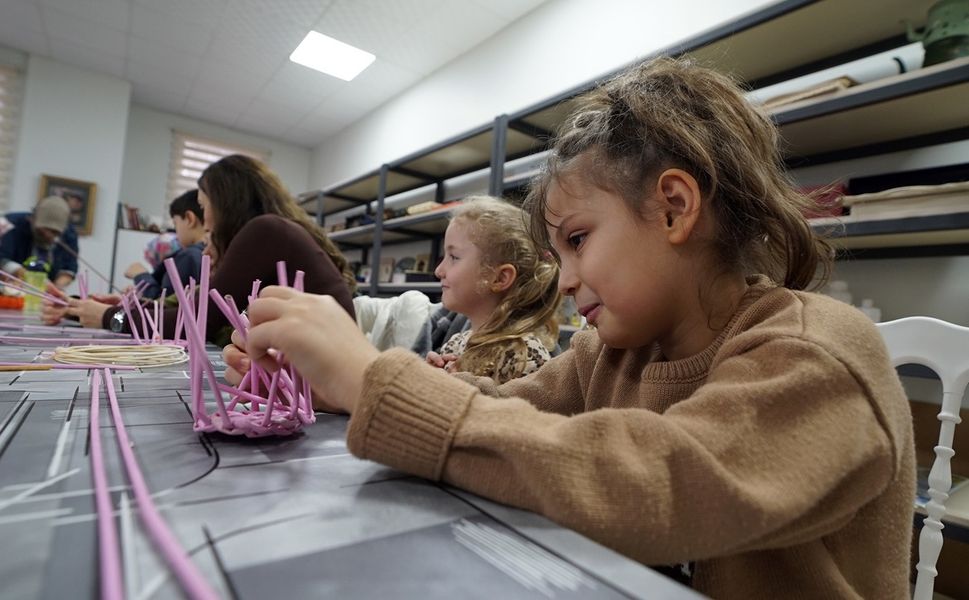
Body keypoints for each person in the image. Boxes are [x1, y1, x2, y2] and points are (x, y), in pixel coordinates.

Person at [224, 58, 915, 598]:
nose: (564, 279)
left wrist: (374, 375)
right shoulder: (604, 354)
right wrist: (329, 385)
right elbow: (500, 418)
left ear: (674, 207)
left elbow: (657, 484)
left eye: (578, 240)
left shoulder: (818, 354)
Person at [52, 155, 356, 345]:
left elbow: (195, 323)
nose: (204, 217)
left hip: (319, 386)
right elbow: (191, 310)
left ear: (225, 203)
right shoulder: (271, 233)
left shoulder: (266, 230)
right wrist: (118, 307)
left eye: (203, 205)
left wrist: (110, 317)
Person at [424, 196, 560, 383]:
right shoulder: (455, 343)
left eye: (454, 257)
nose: (438, 271)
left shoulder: (525, 358)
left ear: (500, 278)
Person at [123, 189, 206, 300]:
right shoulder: (206, 254)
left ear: (190, 219)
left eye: (176, 223)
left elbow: (162, 304)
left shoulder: (190, 256)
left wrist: (140, 275)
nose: (176, 232)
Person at [0, 195, 78, 289]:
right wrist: (29, 277)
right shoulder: (10, 224)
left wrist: (56, 289)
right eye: (43, 230)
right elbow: (2, 259)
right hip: (11, 288)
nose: (48, 235)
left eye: (54, 232)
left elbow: (69, 268)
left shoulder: (69, 234)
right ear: (32, 218)